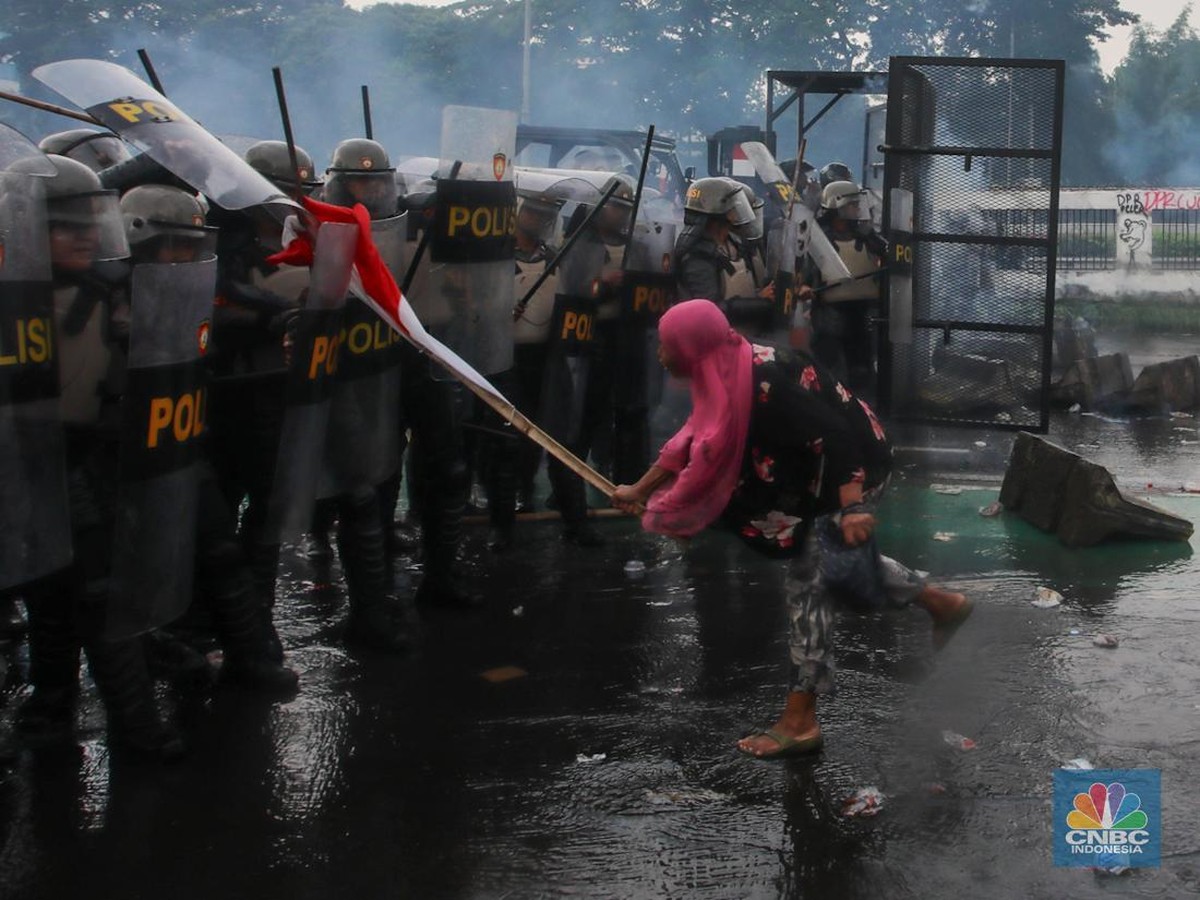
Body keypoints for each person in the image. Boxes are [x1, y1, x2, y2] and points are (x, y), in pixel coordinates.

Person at [612, 300, 973, 760]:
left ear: (692, 347)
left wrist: (853, 507)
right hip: (810, 473)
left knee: (810, 583)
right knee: (842, 571)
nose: (661, 356)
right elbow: (691, 438)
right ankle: (942, 603)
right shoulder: (721, 370)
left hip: (851, 468)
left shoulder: (764, 379)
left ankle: (800, 720)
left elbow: (835, 436)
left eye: (667, 347)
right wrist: (639, 489)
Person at [802, 180, 887, 393]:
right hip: (830, 315)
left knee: (862, 372)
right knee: (831, 372)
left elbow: (887, 253)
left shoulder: (865, 235)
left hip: (863, 312)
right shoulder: (818, 238)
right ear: (838, 206)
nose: (858, 209)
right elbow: (805, 274)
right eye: (853, 205)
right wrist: (803, 287)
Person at [673, 177, 777, 337]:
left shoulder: (734, 245)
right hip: (714, 343)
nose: (737, 211)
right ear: (717, 211)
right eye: (733, 206)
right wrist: (760, 301)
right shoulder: (698, 258)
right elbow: (712, 309)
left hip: (743, 339)